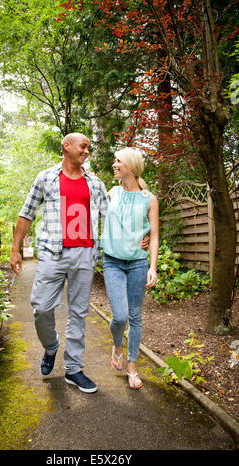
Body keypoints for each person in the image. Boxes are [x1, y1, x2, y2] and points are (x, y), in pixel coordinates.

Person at [10, 132, 108, 393]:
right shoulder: (46, 178)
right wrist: (15, 249)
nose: (87, 151)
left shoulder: (95, 183)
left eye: (89, 147)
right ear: (67, 146)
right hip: (53, 253)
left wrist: (138, 237)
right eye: (83, 146)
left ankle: (74, 368)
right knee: (41, 307)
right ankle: (51, 345)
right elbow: (26, 213)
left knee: (78, 312)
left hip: (85, 254)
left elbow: (110, 217)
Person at [101, 147, 159, 389]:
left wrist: (152, 267)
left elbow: (154, 236)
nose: (114, 164)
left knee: (135, 317)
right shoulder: (111, 192)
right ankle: (117, 346)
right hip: (112, 261)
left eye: (118, 161)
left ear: (131, 167)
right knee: (120, 316)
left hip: (137, 263)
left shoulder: (149, 199)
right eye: (114, 160)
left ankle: (132, 368)